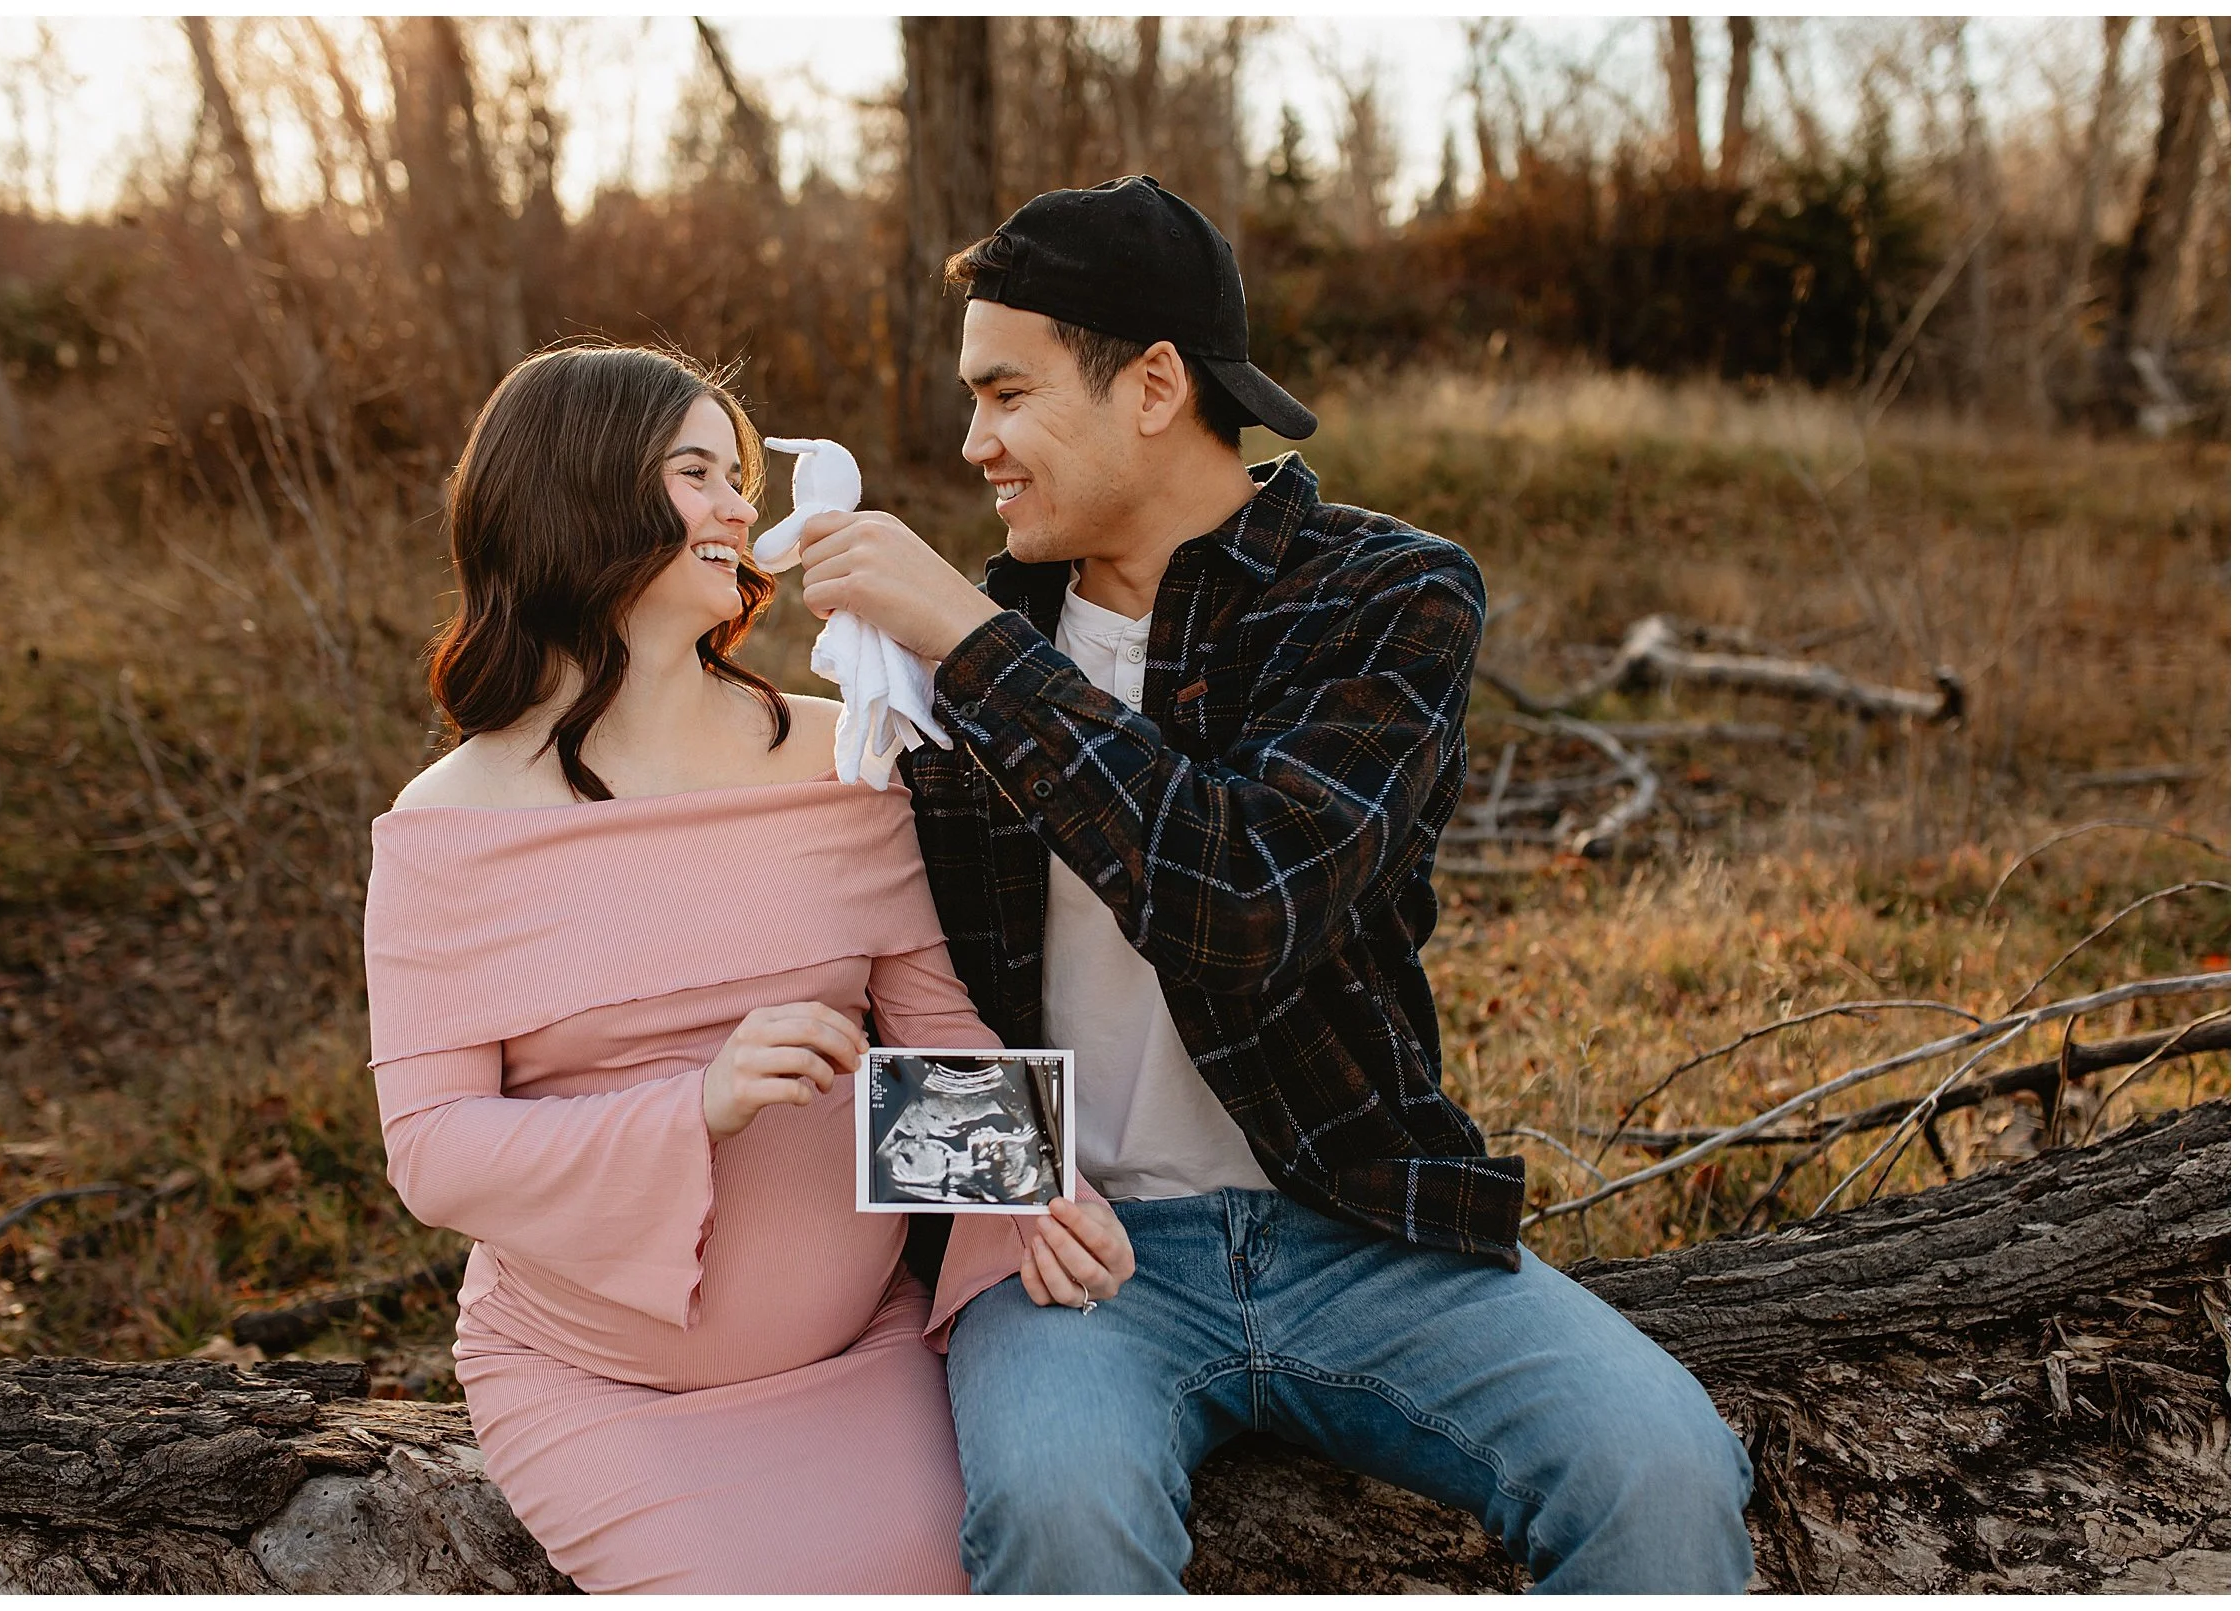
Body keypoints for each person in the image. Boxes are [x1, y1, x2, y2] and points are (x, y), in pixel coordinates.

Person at [791, 176, 1756, 1593]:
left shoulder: (1385, 594)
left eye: (1007, 394)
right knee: (1057, 1516)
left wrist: (979, 649)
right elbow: (907, 979)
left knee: (1661, 1468)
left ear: (1155, 385)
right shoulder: (946, 655)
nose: (973, 441)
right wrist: (1008, 1208)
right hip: (1079, 1258)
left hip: (1360, 1224)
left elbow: (1246, 901)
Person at [361, 344, 1134, 1594]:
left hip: (861, 1357)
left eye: (740, 478)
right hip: (603, 1390)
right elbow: (433, 1153)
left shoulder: (838, 757)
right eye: (699, 476)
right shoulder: (449, 825)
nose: (739, 510)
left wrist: (1042, 1204)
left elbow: (933, 1030)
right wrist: (700, 1106)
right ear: (579, 498)